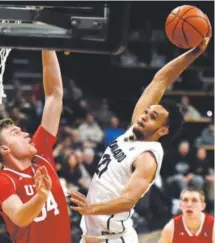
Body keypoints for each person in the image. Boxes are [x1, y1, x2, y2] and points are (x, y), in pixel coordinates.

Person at [69, 32, 212, 243]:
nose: (144, 116)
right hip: (93, 235)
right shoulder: (133, 132)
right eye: (147, 112)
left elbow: (128, 200)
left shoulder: (147, 157)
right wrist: (195, 53)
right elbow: (160, 81)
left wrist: (92, 208)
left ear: (163, 130)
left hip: (114, 238)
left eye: (153, 117)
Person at [0, 51, 71, 243]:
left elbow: (54, 95)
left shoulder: (40, 152)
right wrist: (41, 196)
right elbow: (20, 217)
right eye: (15, 133)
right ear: (4, 149)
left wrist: (47, 46)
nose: (25, 133)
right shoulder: (3, 182)